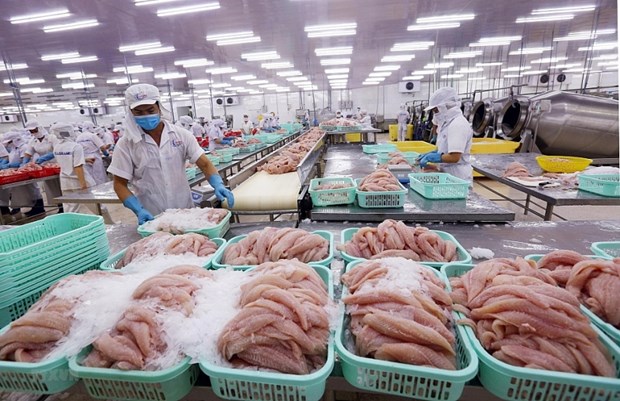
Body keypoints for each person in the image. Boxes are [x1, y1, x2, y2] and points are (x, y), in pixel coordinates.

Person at [108, 84, 234, 224]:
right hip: (152, 216)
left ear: (159, 108)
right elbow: (119, 184)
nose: (146, 116)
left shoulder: (181, 135)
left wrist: (218, 184)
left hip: (185, 212)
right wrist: (138, 210)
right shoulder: (126, 144)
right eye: (139, 112)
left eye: (150, 110)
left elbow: (204, 164)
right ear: (131, 113)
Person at [418, 87, 473, 182]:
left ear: (445, 106)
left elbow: (455, 157)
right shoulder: (447, 123)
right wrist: (434, 152)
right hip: (448, 175)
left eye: (436, 110)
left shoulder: (458, 124)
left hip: (458, 178)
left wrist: (433, 157)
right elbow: (446, 149)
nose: (435, 114)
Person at [50, 122, 99, 215]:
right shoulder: (76, 146)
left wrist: (85, 159)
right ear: (68, 131)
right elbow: (78, 167)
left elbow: (66, 160)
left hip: (65, 182)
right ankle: (109, 224)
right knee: (97, 207)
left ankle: (71, 227)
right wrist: (83, 185)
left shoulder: (57, 147)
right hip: (78, 181)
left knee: (70, 209)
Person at [1, 130, 45, 216]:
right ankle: (26, 207)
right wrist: (7, 165)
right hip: (18, 173)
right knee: (22, 192)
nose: (9, 144)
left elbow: (23, 161)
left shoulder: (24, 147)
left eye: (10, 142)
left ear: (14, 140)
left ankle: (39, 208)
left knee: (32, 190)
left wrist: (12, 165)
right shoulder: (14, 148)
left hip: (26, 172)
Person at [23, 120, 63, 212]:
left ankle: (65, 206)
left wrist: (47, 157)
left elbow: (58, 150)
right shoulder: (33, 141)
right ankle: (60, 206)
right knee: (52, 188)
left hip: (57, 164)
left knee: (60, 186)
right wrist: (25, 163)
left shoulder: (52, 137)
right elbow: (28, 153)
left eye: (34, 130)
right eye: (31, 131)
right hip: (45, 168)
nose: (33, 133)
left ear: (39, 128)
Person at [77, 121, 109, 185]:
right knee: (99, 176)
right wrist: (107, 150)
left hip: (85, 159)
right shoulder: (92, 136)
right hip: (95, 158)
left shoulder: (78, 137)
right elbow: (102, 147)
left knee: (89, 177)